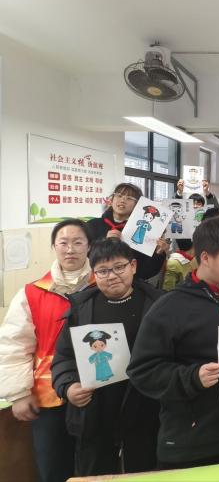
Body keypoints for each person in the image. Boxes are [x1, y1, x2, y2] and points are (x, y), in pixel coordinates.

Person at [127, 217, 219, 469]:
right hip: (195, 440)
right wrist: (193, 377)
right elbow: (142, 370)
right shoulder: (170, 307)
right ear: (205, 257)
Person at [51, 239, 162, 476]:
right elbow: (63, 357)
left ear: (133, 266)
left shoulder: (160, 305)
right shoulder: (81, 309)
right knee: (96, 474)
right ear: (94, 273)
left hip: (147, 411)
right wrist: (68, 387)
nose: (111, 276)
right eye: (102, 271)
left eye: (119, 267)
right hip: (94, 415)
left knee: (145, 474)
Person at [0, 219, 95, 482]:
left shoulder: (103, 287)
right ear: (54, 247)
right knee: (52, 468)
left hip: (96, 392)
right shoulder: (31, 293)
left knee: (95, 467)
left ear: (89, 246)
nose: (70, 249)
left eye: (78, 242)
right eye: (63, 243)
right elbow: (13, 345)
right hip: (48, 398)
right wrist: (18, 394)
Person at [86, 182, 168, 280]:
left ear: (137, 205)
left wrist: (158, 253)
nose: (123, 200)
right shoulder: (92, 225)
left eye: (129, 198)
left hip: (129, 283)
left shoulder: (142, 231)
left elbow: (146, 271)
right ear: (111, 200)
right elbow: (83, 258)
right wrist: (104, 243)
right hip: (95, 281)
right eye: (119, 195)